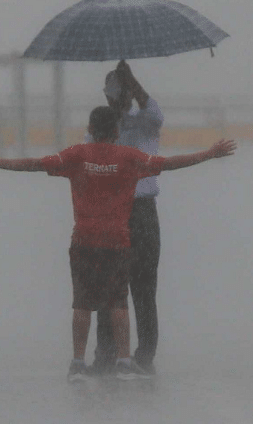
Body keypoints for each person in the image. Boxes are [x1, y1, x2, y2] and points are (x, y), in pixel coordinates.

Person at [0, 105, 235, 382]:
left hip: (84, 240)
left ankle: (78, 363)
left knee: (82, 303)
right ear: (117, 131)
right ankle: (124, 361)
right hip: (117, 242)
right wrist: (209, 154)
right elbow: (168, 164)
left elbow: (34, 164)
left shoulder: (76, 155)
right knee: (118, 303)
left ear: (91, 130)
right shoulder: (129, 157)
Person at [91, 60, 164, 375]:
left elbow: (154, 112)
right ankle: (105, 356)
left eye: (126, 92)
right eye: (116, 92)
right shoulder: (101, 127)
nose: (121, 99)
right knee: (109, 288)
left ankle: (144, 356)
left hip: (144, 210)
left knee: (144, 289)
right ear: (108, 97)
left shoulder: (146, 121)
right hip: (112, 213)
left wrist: (131, 79)